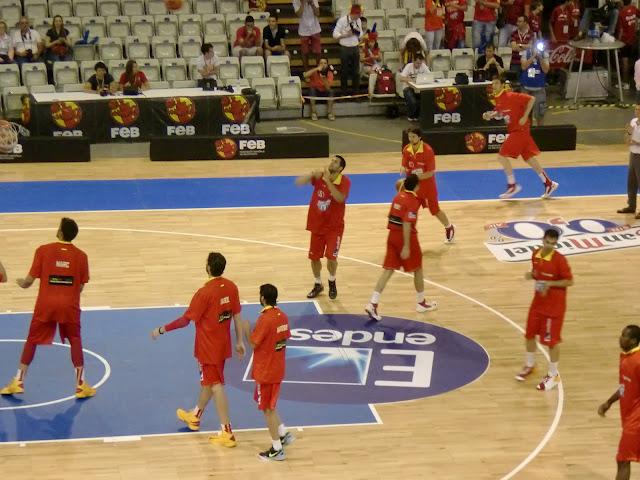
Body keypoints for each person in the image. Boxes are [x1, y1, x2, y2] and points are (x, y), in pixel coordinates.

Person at [150, 252, 245, 447]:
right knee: (209, 382)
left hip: (207, 348)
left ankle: (227, 431)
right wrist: (240, 341)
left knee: (216, 385)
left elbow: (185, 320)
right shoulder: (231, 287)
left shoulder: (204, 293)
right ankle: (195, 416)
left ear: (208, 268)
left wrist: (161, 329)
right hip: (223, 344)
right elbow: (236, 316)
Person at [0, 218, 95, 399]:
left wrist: (20, 283)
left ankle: (18, 381)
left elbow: (28, 282)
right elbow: (80, 287)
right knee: (75, 339)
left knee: (32, 340)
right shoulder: (82, 256)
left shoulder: (43, 250)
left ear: (60, 232)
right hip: (69, 305)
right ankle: (81, 385)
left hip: (45, 304)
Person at [364, 174, 438, 322]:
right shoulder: (413, 201)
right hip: (406, 237)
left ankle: (372, 303)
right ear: (416, 186)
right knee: (417, 269)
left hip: (391, 236)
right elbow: (406, 223)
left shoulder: (397, 196)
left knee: (388, 270)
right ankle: (421, 303)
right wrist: (406, 246)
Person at [482, 73, 559, 199]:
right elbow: (500, 113)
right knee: (529, 159)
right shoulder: (498, 99)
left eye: (496, 83)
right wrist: (489, 115)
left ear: (502, 85)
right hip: (515, 131)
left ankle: (512, 185)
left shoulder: (512, 96)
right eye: (492, 84)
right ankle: (549, 183)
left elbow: (532, 99)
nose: (494, 86)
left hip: (520, 130)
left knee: (501, 156)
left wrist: (525, 116)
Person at [241, 284, 294, 461]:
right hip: (278, 368)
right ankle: (283, 433)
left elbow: (254, 344)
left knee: (267, 410)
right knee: (271, 405)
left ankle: (277, 449)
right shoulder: (283, 316)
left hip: (265, 371)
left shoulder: (265, 319)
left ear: (263, 298)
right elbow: (283, 338)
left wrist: (247, 329)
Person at [514, 228, 573, 391]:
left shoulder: (560, 260)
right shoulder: (535, 254)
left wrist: (550, 284)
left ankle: (554, 375)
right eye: (548, 242)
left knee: (551, 343)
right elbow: (537, 273)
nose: (550, 246)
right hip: (538, 303)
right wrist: (530, 275)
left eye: (553, 244)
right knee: (529, 334)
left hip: (554, 308)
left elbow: (569, 281)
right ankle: (530, 365)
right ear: (543, 239)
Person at [295, 155, 351, 300]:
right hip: (317, 225)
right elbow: (298, 182)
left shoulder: (344, 181)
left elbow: (340, 198)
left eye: (335, 161)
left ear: (340, 168)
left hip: (334, 228)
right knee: (314, 258)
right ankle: (318, 283)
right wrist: (312, 173)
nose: (332, 162)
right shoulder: (320, 177)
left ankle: (332, 281)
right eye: (331, 160)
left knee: (331, 258)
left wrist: (328, 182)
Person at [598, 325, 640, 480]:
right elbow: (624, 387)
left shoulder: (638, 361)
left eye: (624, 336)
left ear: (634, 340)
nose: (620, 338)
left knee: (622, 460)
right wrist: (609, 402)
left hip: (636, 422)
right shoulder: (625, 357)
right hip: (629, 417)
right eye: (621, 334)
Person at [401, 127, 455, 243]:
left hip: (427, 186)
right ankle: (409, 234)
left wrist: (415, 177)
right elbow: (404, 163)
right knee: (410, 210)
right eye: (409, 136)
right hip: (414, 188)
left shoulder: (428, 151)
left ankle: (449, 226)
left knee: (435, 211)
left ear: (419, 137)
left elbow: (430, 173)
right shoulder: (406, 149)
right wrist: (402, 168)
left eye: (413, 136)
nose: (411, 139)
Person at [333, 4, 363, 95]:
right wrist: (345, 35)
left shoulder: (358, 20)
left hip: (355, 47)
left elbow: (361, 34)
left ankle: (356, 93)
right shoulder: (342, 20)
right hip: (344, 48)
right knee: (344, 71)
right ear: (353, 13)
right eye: (358, 14)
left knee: (356, 71)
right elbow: (334, 34)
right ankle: (344, 93)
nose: (359, 16)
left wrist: (357, 32)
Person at [617, 104, 640, 219]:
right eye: (636, 109)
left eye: (639, 110)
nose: (637, 111)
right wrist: (629, 134)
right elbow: (627, 140)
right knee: (631, 181)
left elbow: (634, 141)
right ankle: (631, 206)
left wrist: (636, 142)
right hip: (633, 154)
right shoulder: (633, 121)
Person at [520, 41, 549, 126]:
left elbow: (546, 70)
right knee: (526, 113)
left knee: (540, 113)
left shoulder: (545, 54)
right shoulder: (526, 53)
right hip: (526, 88)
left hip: (539, 89)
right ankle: (528, 132)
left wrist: (540, 57)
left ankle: (540, 132)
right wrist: (533, 56)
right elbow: (523, 66)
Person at [399, 53, 429, 122]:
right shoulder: (408, 66)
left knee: (424, 100)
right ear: (413, 61)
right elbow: (401, 78)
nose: (419, 65)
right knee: (413, 102)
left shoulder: (423, 66)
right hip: (408, 87)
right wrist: (410, 80)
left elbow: (429, 75)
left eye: (420, 63)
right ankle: (410, 115)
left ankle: (417, 116)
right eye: (417, 63)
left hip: (419, 88)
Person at [616, 0, 639, 90]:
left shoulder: (621, 13)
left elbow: (621, 31)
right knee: (631, 61)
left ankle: (625, 83)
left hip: (625, 41)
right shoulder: (634, 8)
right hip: (633, 39)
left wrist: (617, 42)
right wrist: (635, 26)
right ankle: (632, 81)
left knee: (624, 61)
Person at [293, 0, 321, 72]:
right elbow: (299, 14)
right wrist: (302, 4)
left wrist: (312, 3)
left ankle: (319, 71)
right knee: (305, 52)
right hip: (303, 29)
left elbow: (317, 13)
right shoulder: (296, 1)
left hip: (315, 28)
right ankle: (306, 72)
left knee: (318, 52)